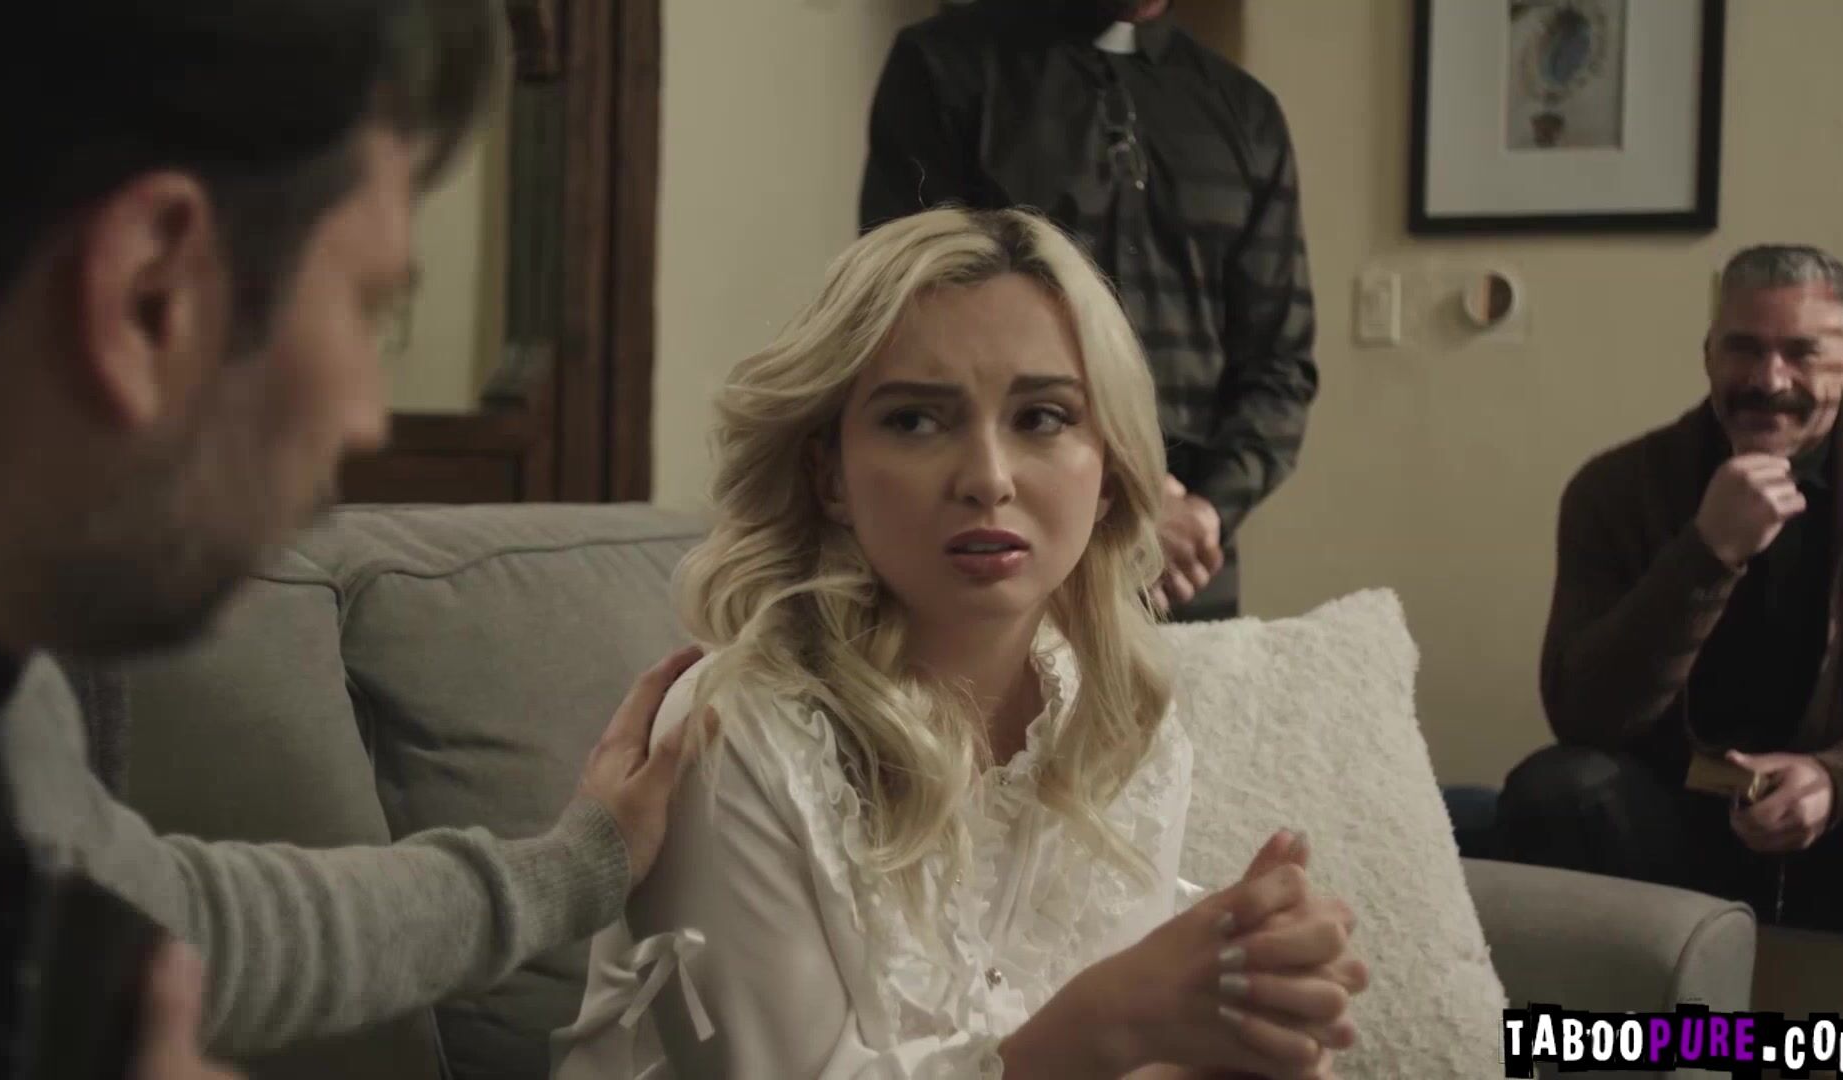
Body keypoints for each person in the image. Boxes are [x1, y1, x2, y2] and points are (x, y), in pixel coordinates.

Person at [0, 4, 701, 1077]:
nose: (366, 416)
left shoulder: (8, 706)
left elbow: (171, 919)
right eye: (370, 308)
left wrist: (580, 865)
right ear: (151, 292)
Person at [550, 208, 1366, 1080]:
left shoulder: (1121, 718)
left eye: (1043, 416)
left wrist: (1234, 1049)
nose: (987, 478)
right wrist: (1108, 1023)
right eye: (915, 421)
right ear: (829, 474)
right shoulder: (728, 731)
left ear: (1108, 473)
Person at [858, 0, 1317, 622]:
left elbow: (1280, 367)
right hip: (1003, 541)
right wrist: (1122, 497)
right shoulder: (943, 67)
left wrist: (1204, 510)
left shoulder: (1247, 113)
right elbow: (911, 324)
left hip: (1184, 569)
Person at [1499, 244, 1843, 936]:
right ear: (1708, 355)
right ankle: (1630, 1009)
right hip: (1677, 819)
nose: (1768, 379)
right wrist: (1708, 553)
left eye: (1802, 353)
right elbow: (1584, 717)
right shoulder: (1614, 489)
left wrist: (1837, 782)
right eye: (1744, 349)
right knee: (1554, 790)